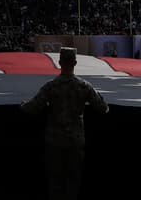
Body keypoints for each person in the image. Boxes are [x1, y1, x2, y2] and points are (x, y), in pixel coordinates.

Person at [20, 48, 108, 200]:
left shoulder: (51, 86)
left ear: (59, 63)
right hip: (75, 140)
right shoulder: (84, 86)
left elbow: (32, 108)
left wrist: (22, 105)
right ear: (75, 63)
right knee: (73, 181)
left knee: (55, 182)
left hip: (55, 141)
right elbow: (102, 108)